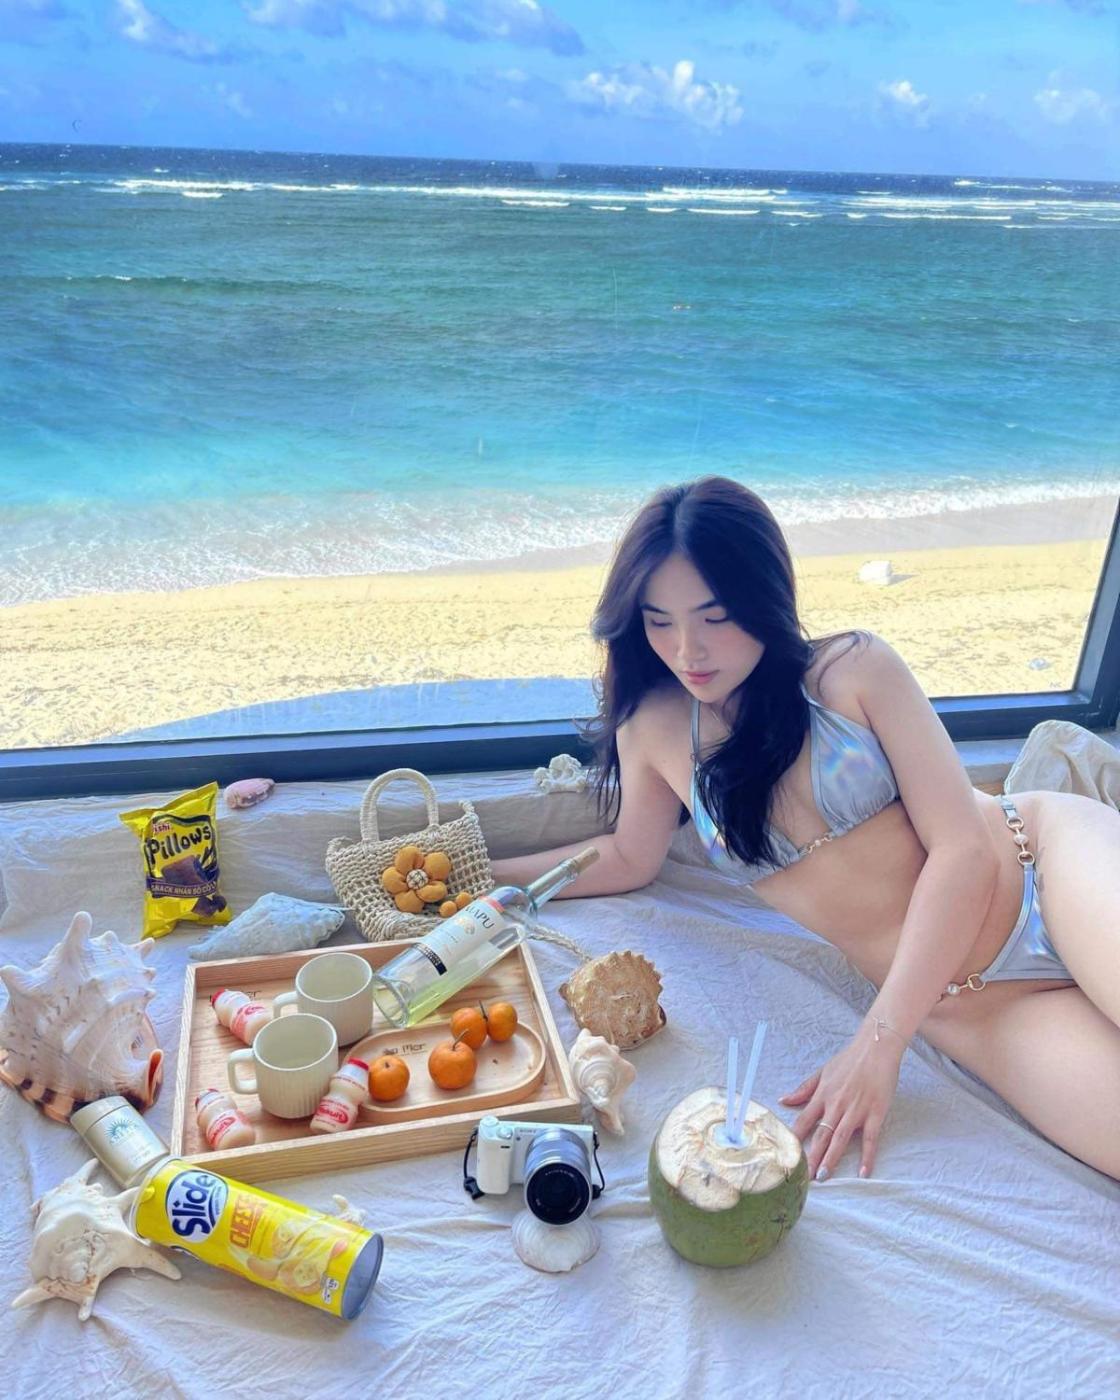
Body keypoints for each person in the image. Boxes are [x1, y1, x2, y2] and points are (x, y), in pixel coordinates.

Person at [490, 476, 1120, 1182]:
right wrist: (484, 878)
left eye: (715, 615)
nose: (688, 649)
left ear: (762, 595)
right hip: (968, 1005)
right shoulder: (654, 728)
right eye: (659, 621)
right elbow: (629, 857)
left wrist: (878, 1044)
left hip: (1044, 866)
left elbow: (963, 850)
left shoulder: (852, 670)